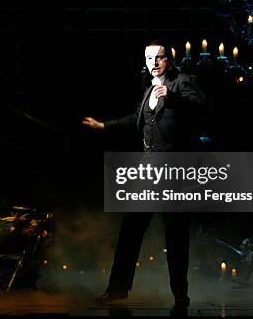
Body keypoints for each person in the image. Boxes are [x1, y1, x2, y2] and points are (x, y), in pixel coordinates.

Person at [82, 40, 206, 313]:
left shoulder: (182, 81)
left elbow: (199, 105)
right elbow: (134, 119)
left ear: (169, 60)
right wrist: (103, 126)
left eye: (159, 57)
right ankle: (116, 291)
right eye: (149, 58)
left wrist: (172, 98)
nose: (154, 63)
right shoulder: (149, 88)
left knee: (175, 235)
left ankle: (180, 296)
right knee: (130, 230)